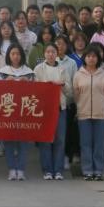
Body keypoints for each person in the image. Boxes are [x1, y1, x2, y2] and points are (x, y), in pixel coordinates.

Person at [34, 42, 72, 180]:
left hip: (60, 108)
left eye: (53, 52)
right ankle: (47, 170)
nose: (50, 54)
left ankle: (58, 170)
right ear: (44, 54)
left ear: (57, 54)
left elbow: (69, 91)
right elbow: (35, 89)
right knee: (45, 140)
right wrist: (47, 86)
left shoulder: (62, 69)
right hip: (44, 110)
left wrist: (62, 85)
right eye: (48, 52)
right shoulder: (38, 69)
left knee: (60, 140)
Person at [73, 48, 104, 181]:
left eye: (94, 56)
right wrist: (80, 106)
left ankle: (99, 170)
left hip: (100, 114)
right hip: (84, 114)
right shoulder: (78, 74)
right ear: (84, 58)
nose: (91, 58)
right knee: (86, 144)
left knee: (99, 144)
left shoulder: (103, 74)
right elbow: (76, 94)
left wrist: (101, 103)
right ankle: (88, 170)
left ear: (98, 59)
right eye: (88, 56)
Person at [0, 44, 35, 181]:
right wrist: (4, 83)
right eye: (13, 54)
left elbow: (37, 92)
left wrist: (29, 83)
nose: (15, 56)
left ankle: (21, 169)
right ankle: (12, 169)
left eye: (18, 54)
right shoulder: (2, 72)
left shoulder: (29, 72)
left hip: (24, 111)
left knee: (23, 142)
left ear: (22, 56)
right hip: (8, 111)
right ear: (9, 55)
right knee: (9, 141)